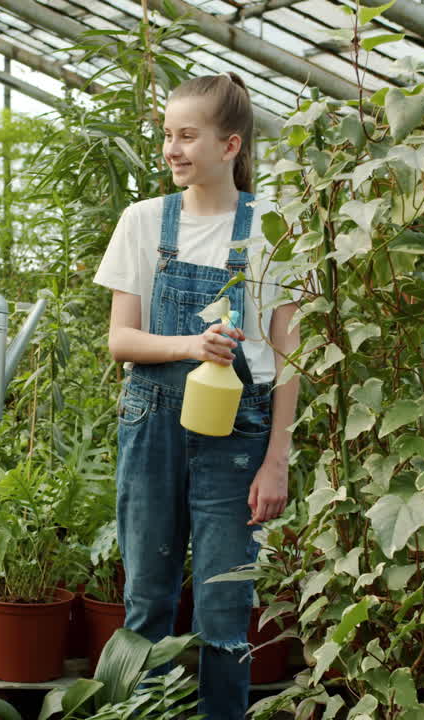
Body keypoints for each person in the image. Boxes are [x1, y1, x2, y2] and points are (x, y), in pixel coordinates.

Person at [94, 73, 301, 719]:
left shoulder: (273, 228)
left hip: (239, 438)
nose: (171, 150)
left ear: (230, 144)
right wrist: (189, 346)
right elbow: (121, 341)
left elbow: (290, 355)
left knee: (225, 613)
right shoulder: (145, 222)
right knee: (147, 604)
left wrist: (277, 460)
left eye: (187, 136)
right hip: (152, 420)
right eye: (167, 135)